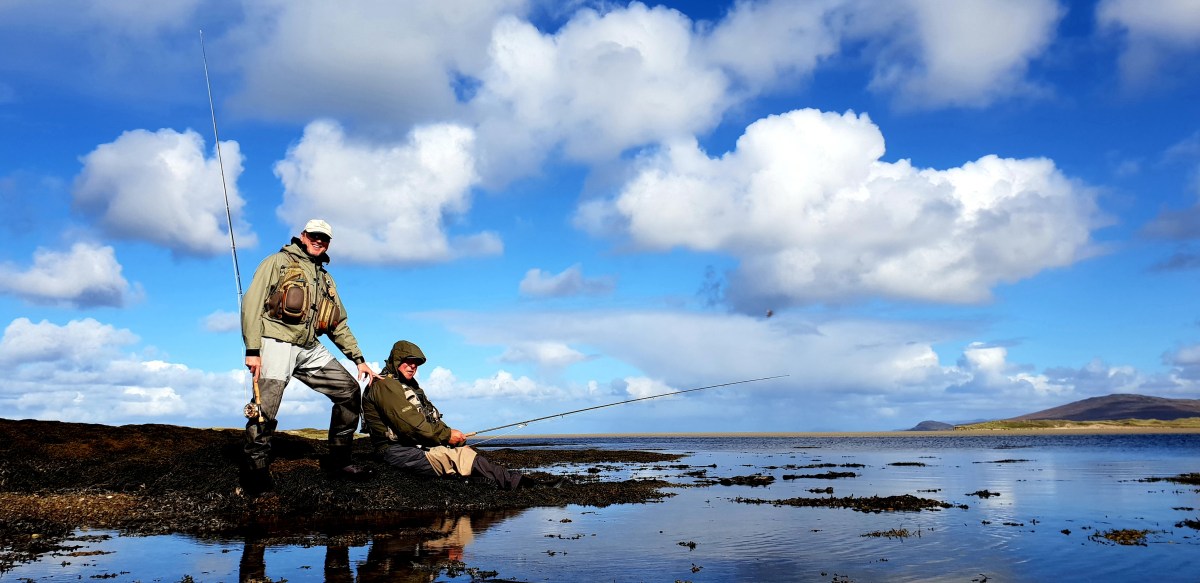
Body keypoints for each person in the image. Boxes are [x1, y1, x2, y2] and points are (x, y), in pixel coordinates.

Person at [239, 219, 378, 496]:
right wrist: (253, 350)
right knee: (265, 409)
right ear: (303, 236)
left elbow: (338, 323)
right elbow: (251, 304)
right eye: (314, 236)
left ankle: (339, 462)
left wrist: (358, 358)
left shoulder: (325, 278)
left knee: (349, 391)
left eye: (324, 238)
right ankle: (255, 472)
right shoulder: (277, 261)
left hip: (308, 346)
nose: (318, 241)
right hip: (275, 340)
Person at [362, 340, 568, 490]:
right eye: (408, 361)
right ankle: (525, 485)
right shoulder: (386, 386)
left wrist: (451, 437)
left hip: (413, 447)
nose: (413, 366)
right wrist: (447, 436)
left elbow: (430, 423)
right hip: (395, 452)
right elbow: (413, 427)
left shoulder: (406, 386)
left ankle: (506, 481)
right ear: (396, 360)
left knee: (463, 450)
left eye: (416, 362)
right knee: (460, 456)